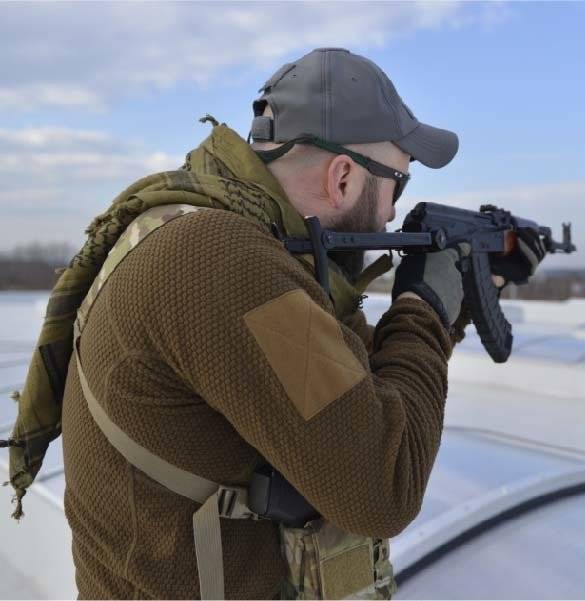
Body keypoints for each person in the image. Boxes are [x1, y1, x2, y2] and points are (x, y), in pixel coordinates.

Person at [56, 47, 542, 600]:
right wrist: (426, 305)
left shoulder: (210, 235)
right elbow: (383, 487)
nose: (389, 216)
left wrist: (464, 290)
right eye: (396, 188)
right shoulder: (221, 259)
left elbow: (361, 391)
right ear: (341, 178)